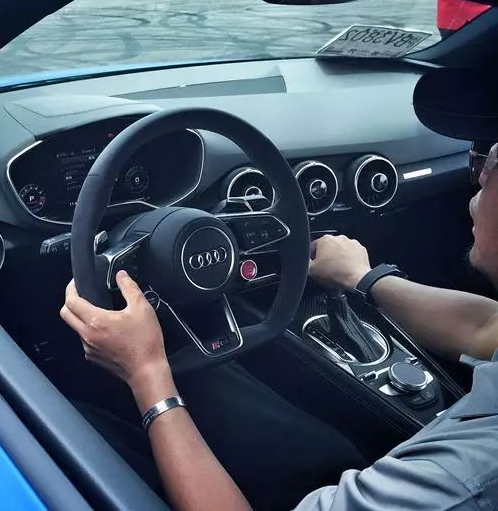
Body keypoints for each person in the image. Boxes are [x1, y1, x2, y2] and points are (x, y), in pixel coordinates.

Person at [59, 143, 498, 510]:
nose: (480, 172)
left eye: (495, 159)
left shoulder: (457, 484)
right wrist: (361, 278)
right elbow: (487, 328)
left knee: (86, 427)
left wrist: (146, 372)